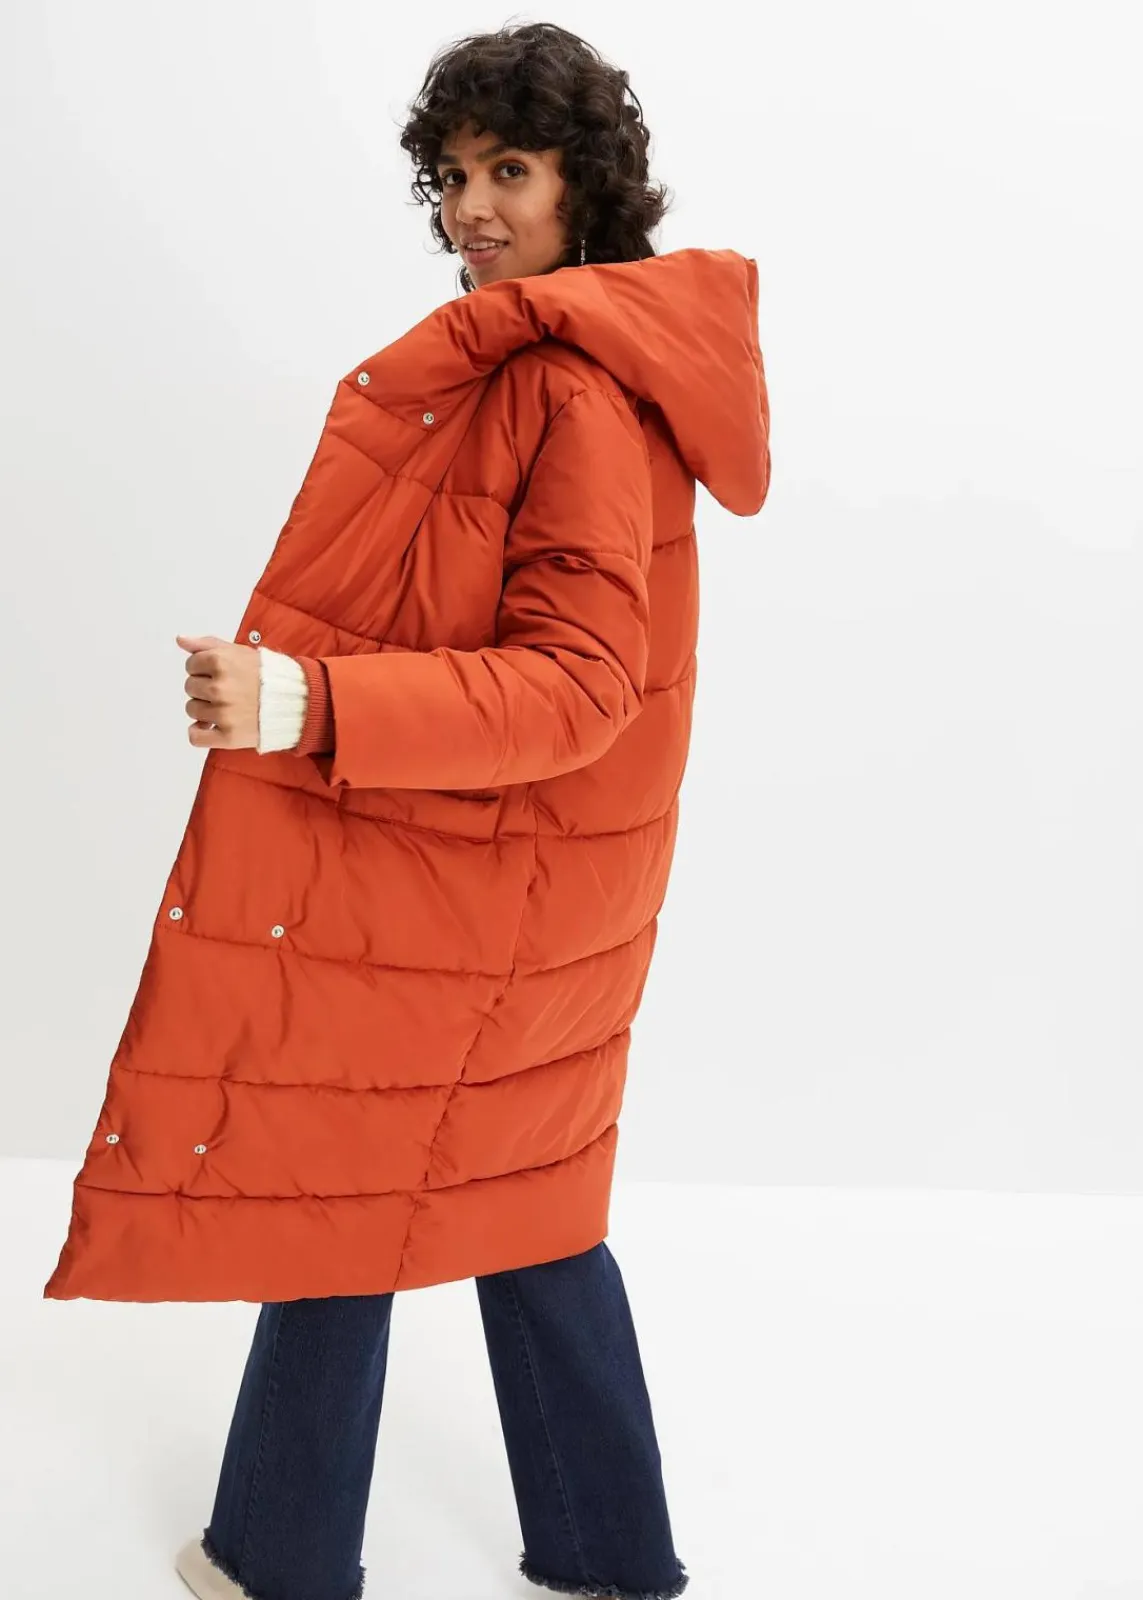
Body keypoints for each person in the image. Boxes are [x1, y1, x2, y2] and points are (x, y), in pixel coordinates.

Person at [43, 21, 770, 1600]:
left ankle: (279, 1557)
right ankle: (603, 1549)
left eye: (510, 170)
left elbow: (577, 685)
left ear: (589, 184)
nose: (471, 210)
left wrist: (310, 704)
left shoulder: (569, 385)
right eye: (450, 177)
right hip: (525, 883)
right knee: (521, 1194)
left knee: (351, 1185)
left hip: (478, 882)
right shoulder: (581, 364)